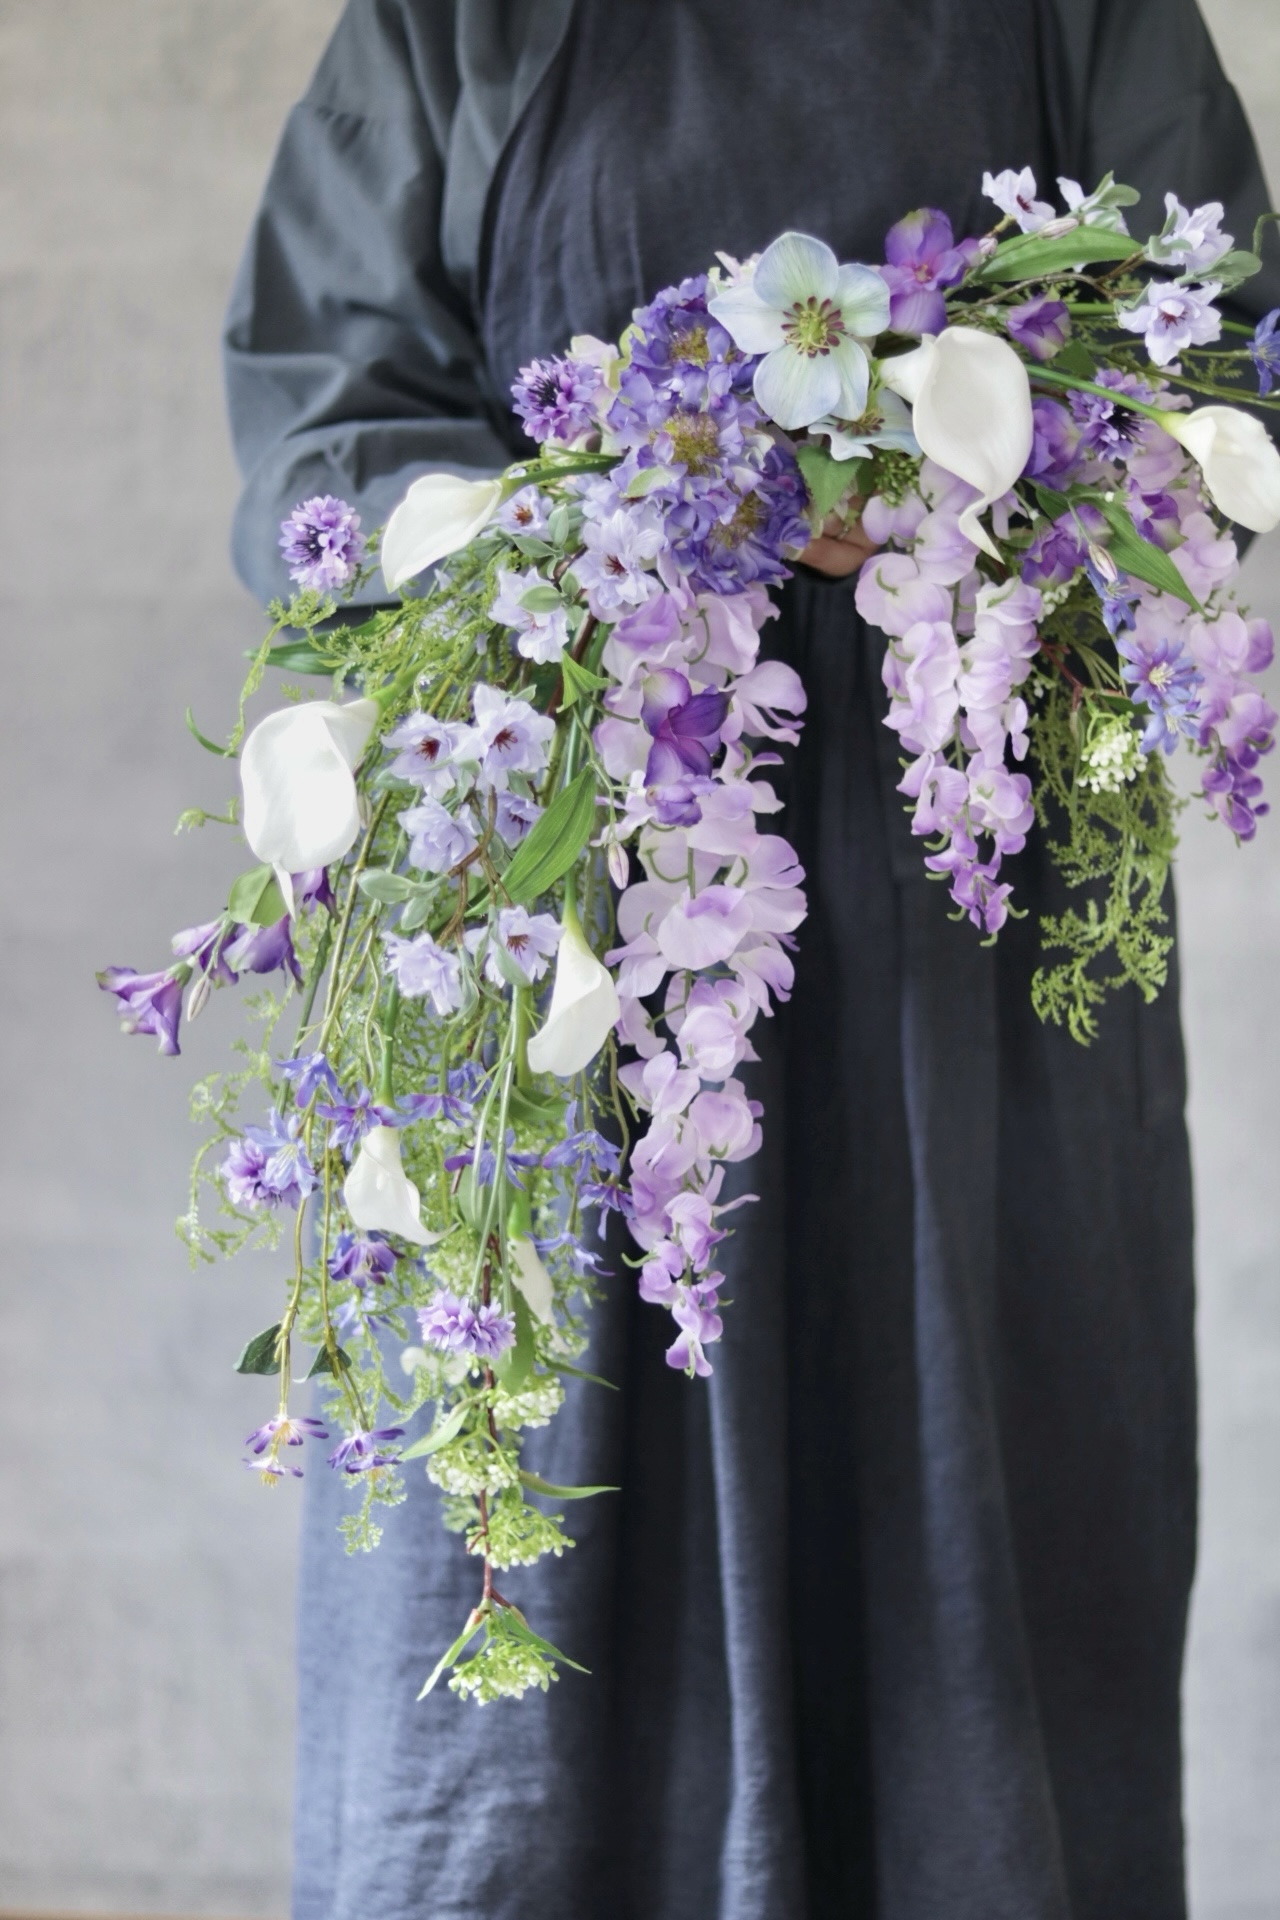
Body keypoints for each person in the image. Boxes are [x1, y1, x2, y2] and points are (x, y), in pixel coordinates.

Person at [224, 5, 1278, 1917]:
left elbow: (1211, 356)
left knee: (986, 1500)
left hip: (975, 895)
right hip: (565, 867)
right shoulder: (457, 22)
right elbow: (330, 406)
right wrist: (581, 534)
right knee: (536, 1509)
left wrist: (959, 468)